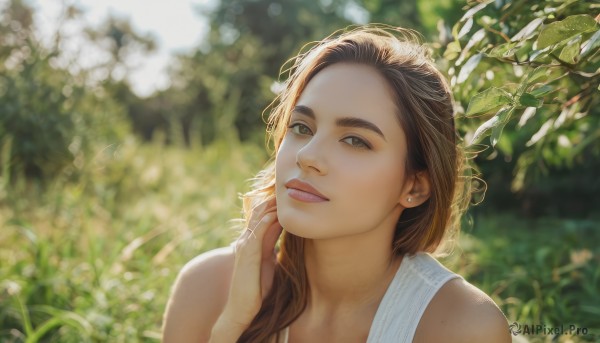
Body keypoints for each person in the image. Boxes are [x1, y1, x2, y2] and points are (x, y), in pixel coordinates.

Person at [162, 26, 511, 343]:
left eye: (356, 141)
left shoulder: (462, 327)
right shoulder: (207, 287)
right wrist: (231, 325)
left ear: (416, 186)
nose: (308, 156)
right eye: (301, 127)